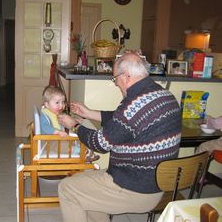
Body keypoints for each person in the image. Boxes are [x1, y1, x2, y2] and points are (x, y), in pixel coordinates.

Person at [57, 53, 182, 222]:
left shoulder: (134, 103)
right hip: (155, 182)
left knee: (67, 188)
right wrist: (89, 113)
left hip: (136, 188)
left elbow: (99, 143)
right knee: (80, 182)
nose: (115, 83)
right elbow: (124, 121)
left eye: (115, 79)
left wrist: (74, 125)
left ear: (126, 76)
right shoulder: (165, 95)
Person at [40, 85, 99, 161]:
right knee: (63, 146)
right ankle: (81, 151)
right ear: (47, 105)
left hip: (58, 139)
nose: (61, 105)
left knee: (77, 138)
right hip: (48, 143)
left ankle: (84, 150)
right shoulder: (44, 115)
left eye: (63, 102)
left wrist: (74, 119)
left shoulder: (56, 113)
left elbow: (66, 117)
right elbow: (44, 127)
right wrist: (57, 131)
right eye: (57, 102)